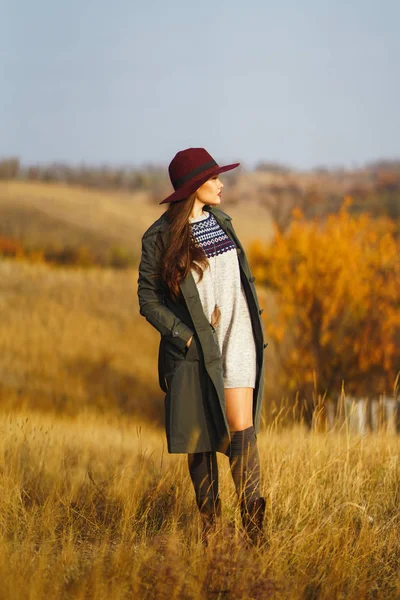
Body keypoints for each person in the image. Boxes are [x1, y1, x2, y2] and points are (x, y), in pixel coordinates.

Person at [137, 147, 268, 546]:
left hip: (238, 334)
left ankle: (255, 532)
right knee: (200, 436)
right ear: (195, 186)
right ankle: (213, 532)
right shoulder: (160, 237)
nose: (221, 184)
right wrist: (185, 335)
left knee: (240, 428)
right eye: (213, 179)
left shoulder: (223, 223)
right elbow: (148, 299)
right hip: (195, 347)